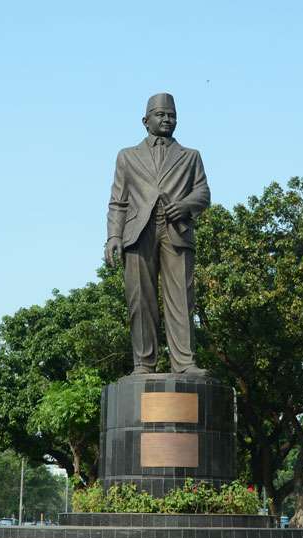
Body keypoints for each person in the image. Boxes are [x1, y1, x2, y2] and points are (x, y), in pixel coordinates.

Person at [104, 93, 211, 375]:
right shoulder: (127, 156)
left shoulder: (190, 157)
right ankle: (143, 363)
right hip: (139, 233)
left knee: (182, 298)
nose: (166, 119)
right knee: (140, 299)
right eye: (161, 115)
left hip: (177, 229)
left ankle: (185, 362)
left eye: (171, 115)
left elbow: (203, 193)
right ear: (145, 120)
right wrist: (113, 236)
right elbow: (118, 201)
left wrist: (186, 205)